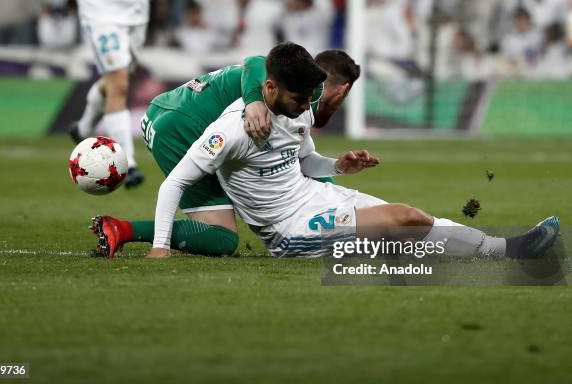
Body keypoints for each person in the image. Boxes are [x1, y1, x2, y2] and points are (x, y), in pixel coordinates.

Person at [146, 42, 560, 259]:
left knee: (412, 223)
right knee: (404, 219)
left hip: (318, 198)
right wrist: (160, 247)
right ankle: (506, 252)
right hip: (291, 230)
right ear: (269, 88)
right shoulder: (231, 130)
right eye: (301, 96)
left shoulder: (299, 108)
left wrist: (339, 166)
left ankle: (493, 249)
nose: (308, 104)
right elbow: (175, 182)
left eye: (312, 95)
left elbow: (304, 159)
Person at [90, 47, 361, 258]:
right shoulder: (291, 90)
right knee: (222, 238)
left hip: (172, 109)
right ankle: (123, 229)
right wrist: (254, 102)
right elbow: (255, 60)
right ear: (342, 91)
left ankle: (336, 226)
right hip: (180, 127)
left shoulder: (292, 84)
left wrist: (336, 168)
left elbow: (302, 163)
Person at [69, 0, 150, 188]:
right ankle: (128, 163)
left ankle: (83, 128)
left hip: (137, 13)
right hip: (101, 11)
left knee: (117, 80)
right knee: (118, 82)